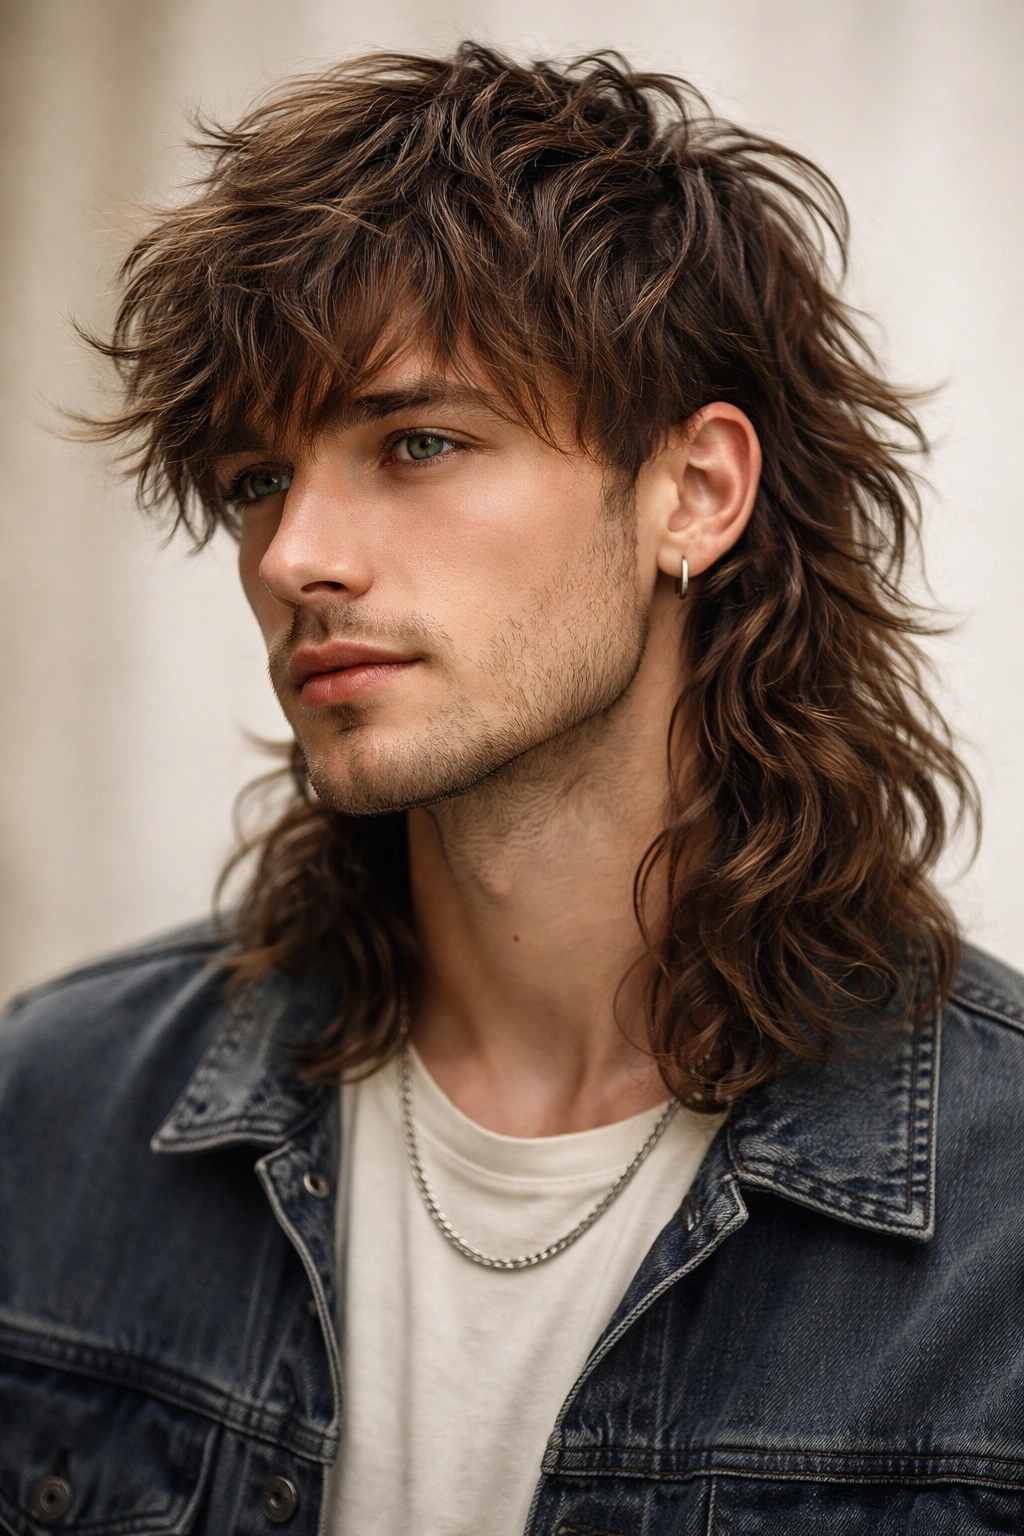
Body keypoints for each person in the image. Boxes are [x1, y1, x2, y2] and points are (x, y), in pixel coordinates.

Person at [1, 40, 1022, 1536]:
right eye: (253, 481)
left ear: (695, 492)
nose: (293, 558)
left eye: (417, 441)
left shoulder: (997, 1228)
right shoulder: (60, 1116)